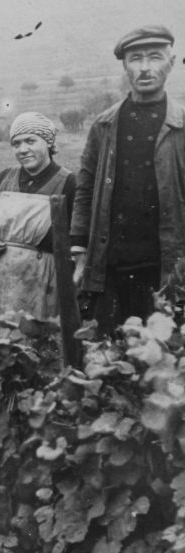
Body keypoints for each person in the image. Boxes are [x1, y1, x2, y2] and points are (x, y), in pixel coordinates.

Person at [71, 25, 184, 332]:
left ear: (171, 63)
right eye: (136, 58)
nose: (145, 68)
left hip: (167, 266)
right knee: (107, 356)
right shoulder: (104, 124)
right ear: (125, 66)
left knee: (164, 359)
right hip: (111, 264)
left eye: (155, 57)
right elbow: (85, 186)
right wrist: (80, 253)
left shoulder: (181, 125)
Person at [0, 113, 76, 335]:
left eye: (30, 141)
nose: (22, 149)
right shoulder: (4, 178)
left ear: (49, 142)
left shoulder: (67, 183)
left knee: (31, 346)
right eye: (16, 143)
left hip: (39, 283)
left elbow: (77, 239)